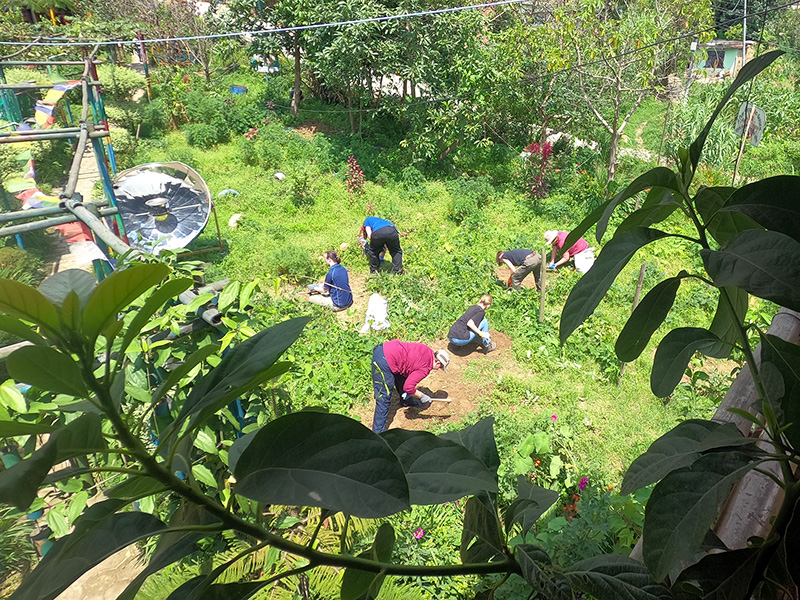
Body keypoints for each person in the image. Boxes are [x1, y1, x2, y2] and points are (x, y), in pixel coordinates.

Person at [371, 340, 450, 433]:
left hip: (384, 348)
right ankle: (378, 434)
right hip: (384, 361)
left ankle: (406, 401)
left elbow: (408, 365)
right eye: (440, 368)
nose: (438, 369)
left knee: (402, 377)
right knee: (384, 397)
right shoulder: (425, 368)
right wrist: (422, 396)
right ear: (438, 363)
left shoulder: (427, 350)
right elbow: (408, 388)